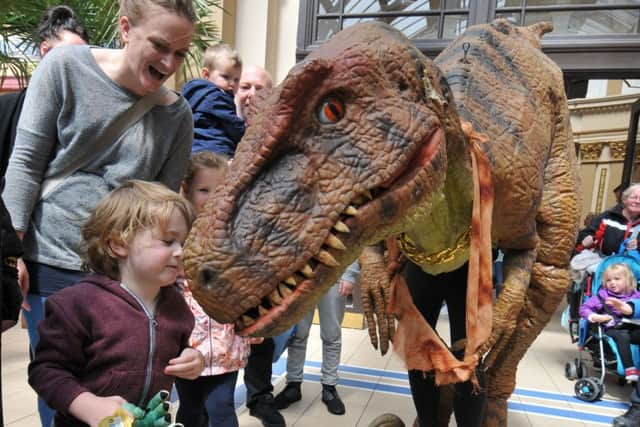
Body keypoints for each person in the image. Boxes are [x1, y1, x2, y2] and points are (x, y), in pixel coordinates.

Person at [2, 1, 197, 425]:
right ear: (126, 28)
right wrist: (10, 251)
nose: (169, 62)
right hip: (52, 257)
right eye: (159, 45)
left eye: (180, 53)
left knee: (128, 376)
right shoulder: (66, 68)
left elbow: (163, 205)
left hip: (125, 269)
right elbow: (26, 162)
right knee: (62, 384)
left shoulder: (176, 114)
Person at [28, 180, 204, 427]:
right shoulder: (78, 305)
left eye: (184, 243)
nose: (181, 252)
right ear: (119, 244)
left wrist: (193, 359)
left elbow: (179, 348)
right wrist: (88, 405)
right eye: (168, 241)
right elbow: (46, 371)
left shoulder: (177, 305)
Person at [176, 151, 255, 427]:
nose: (213, 198)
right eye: (203, 190)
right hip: (186, 346)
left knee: (221, 407)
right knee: (190, 409)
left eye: (220, 190)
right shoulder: (175, 236)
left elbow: (249, 286)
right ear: (185, 191)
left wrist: (253, 324)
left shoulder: (237, 237)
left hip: (226, 347)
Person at [231, 64, 284, 427]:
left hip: (264, 254)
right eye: (243, 86)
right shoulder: (212, 131)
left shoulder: (280, 137)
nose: (250, 93)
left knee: (261, 333)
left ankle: (259, 395)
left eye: (260, 88)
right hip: (223, 253)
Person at [0, 4, 89, 178]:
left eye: (84, 59)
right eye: (68, 56)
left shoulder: (83, 119)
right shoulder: (6, 109)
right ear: (45, 50)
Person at [274, 261, 359, 415]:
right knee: (298, 335)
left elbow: (354, 237)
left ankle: (329, 387)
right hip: (301, 277)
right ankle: (293, 385)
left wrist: (349, 275)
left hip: (334, 275)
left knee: (331, 336)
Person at [579, 262, 640, 381]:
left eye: (617, 279)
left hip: (632, 327)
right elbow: (584, 308)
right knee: (622, 336)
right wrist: (595, 316)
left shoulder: (636, 296)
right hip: (613, 328)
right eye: (608, 280)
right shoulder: (603, 296)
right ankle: (629, 367)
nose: (612, 282)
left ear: (628, 280)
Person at [182, 43, 245, 157]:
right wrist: (246, 133)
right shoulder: (216, 97)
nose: (232, 84)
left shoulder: (194, 93)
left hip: (192, 148)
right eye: (226, 77)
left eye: (236, 80)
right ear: (206, 74)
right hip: (214, 150)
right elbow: (233, 124)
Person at [576, 183, 640, 255]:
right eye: (634, 197)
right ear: (625, 200)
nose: (637, 201)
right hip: (604, 263)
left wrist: (638, 246)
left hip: (632, 265)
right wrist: (588, 241)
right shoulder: (607, 217)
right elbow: (584, 236)